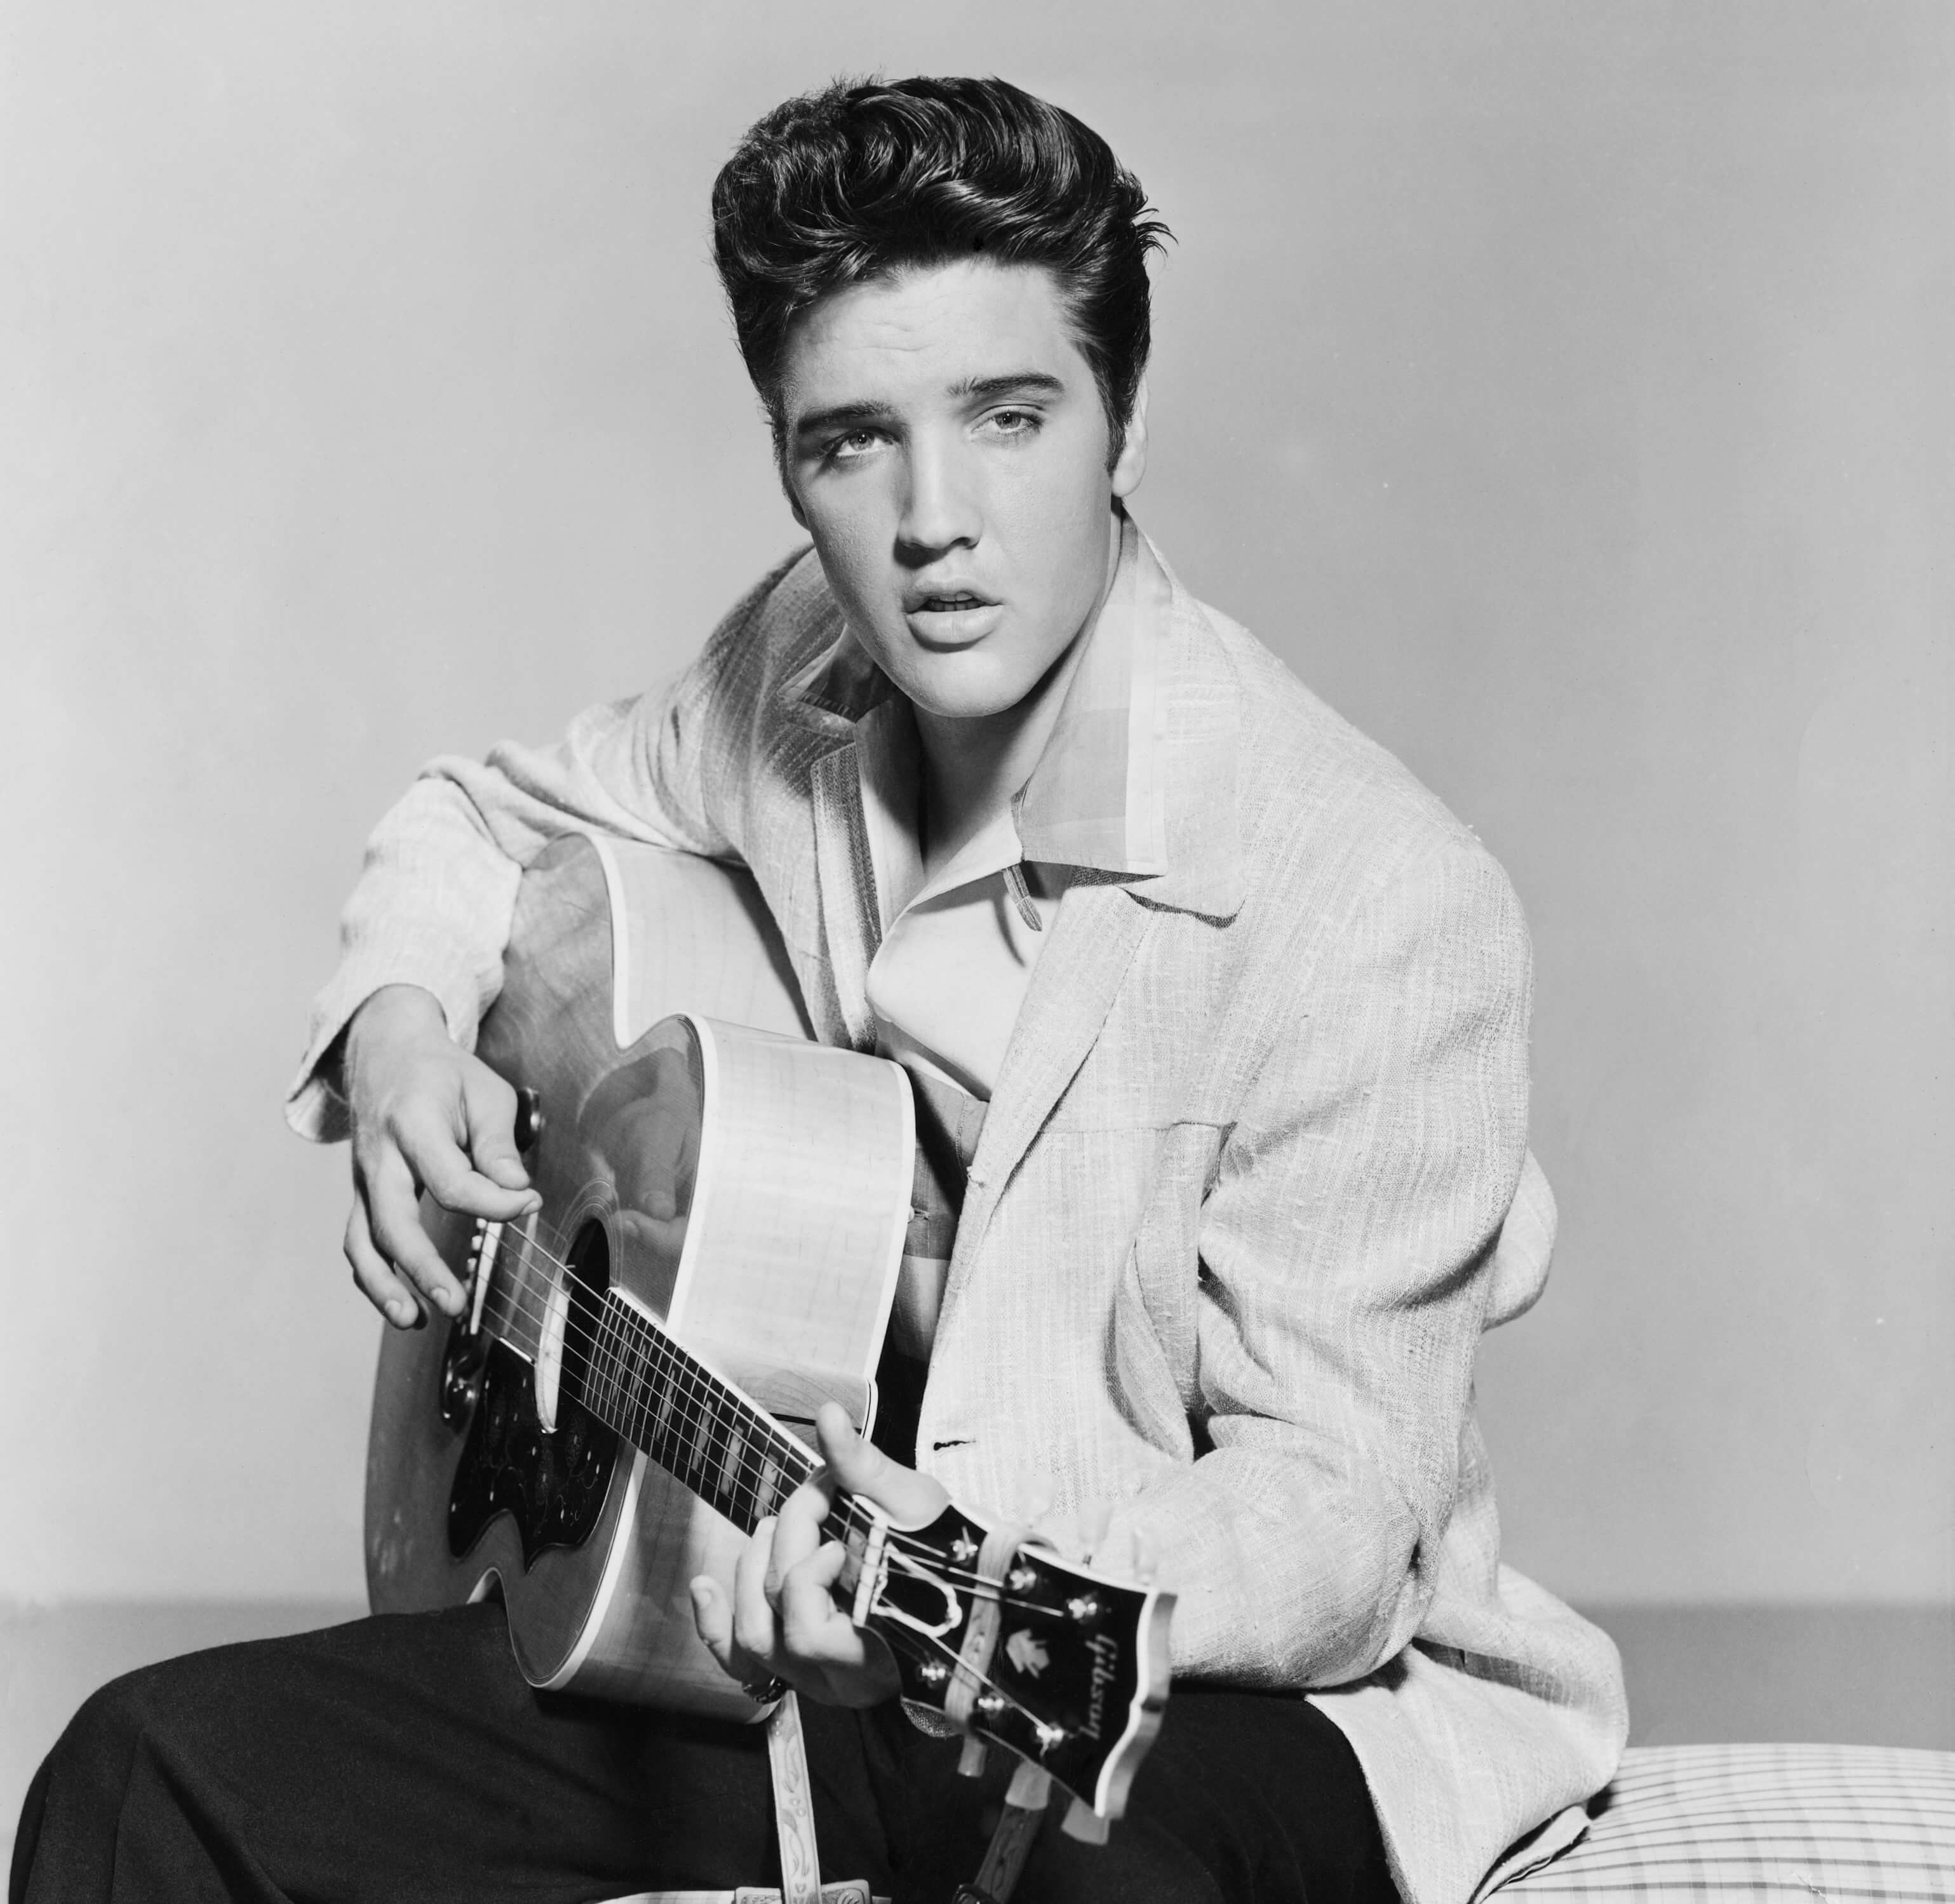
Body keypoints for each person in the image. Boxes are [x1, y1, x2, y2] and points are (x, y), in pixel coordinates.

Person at [12, 75, 1626, 1904]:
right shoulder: (800, 666)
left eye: (1009, 418)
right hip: (768, 1627)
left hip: (1183, 1678)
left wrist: (974, 1569)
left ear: (1126, 423)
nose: (935, 520)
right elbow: (484, 818)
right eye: (853, 441)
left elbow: (1338, 1515)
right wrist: (398, 1036)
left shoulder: (1371, 894)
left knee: (1087, 1881)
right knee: (146, 1776)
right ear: (787, 455)